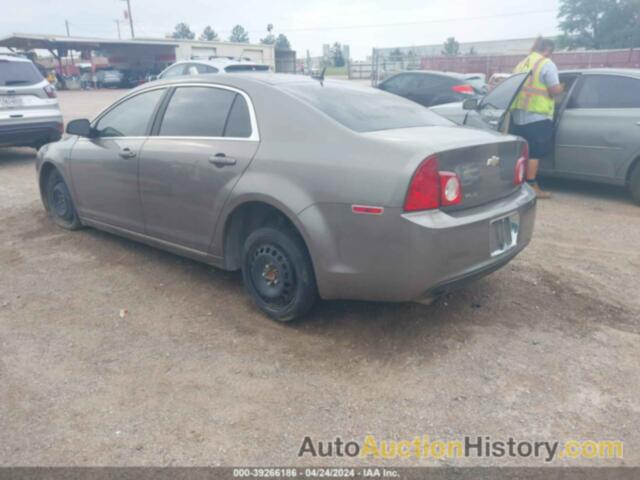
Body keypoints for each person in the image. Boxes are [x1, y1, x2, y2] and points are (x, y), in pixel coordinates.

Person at [511, 36, 564, 199]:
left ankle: (518, 185)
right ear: (548, 49)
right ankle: (532, 185)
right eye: (551, 52)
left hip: (518, 114)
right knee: (535, 152)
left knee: (523, 152)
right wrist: (563, 87)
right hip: (537, 115)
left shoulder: (522, 63)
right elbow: (554, 90)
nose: (551, 55)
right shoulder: (546, 63)